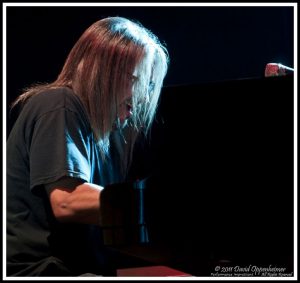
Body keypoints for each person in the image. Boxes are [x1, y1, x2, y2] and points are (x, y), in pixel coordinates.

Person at [6, 16, 169, 276]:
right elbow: (68, 201)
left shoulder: (110, 136)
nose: (145, 97)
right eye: (137, 79)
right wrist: (163, 208)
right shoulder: (59, 103)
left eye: (150, 86)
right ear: (104, 72)